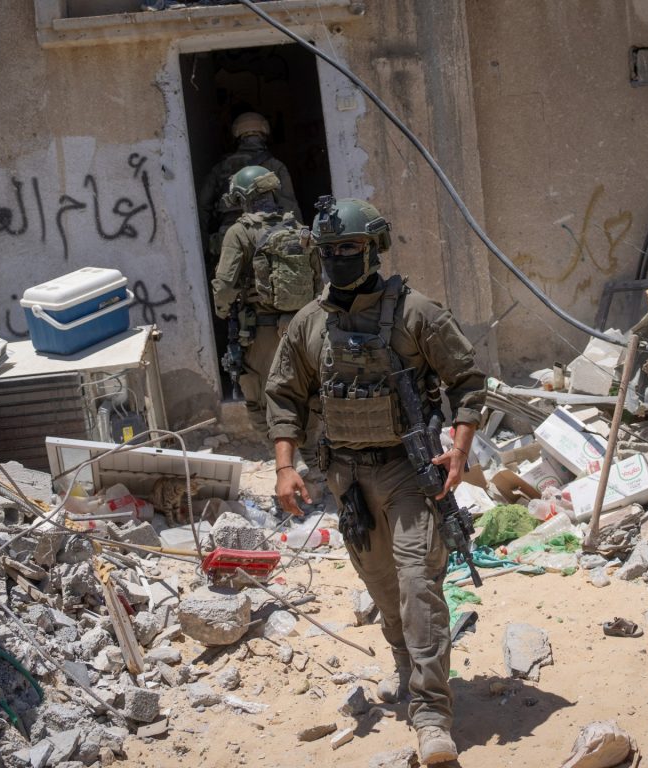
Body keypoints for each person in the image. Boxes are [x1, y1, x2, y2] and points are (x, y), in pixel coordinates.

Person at [265, 196, 486, 765]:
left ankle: (432, 715)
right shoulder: (309, 324)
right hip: (347, 480)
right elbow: (284, 396)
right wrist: (286, 467)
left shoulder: (417, 313)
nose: (339, 257)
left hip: (408, 472)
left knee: (418, 587)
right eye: (330, 249)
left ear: (374, 249)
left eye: (350, 247)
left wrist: (459, 450)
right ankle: (406, 666)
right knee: (384, 588)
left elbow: (467, 380)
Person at [211, 165, 322, 449]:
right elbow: (317, 279)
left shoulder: (239, 232)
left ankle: (283, 463)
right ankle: (312, 461)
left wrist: (223, 312)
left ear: (243, 197)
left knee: (259, 398)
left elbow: (224, 286)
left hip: (262, 332)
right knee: (305, 393)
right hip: (302, 327)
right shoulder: (298, 228)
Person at [198, 112, 301, 260]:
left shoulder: (220, 168)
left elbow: (202, 206)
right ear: (264, 132)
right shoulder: (276, 165)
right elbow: (289, 206)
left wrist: (203, 247)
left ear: (236, 134)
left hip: (229, 237)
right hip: (266, 236)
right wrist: (296, 247)